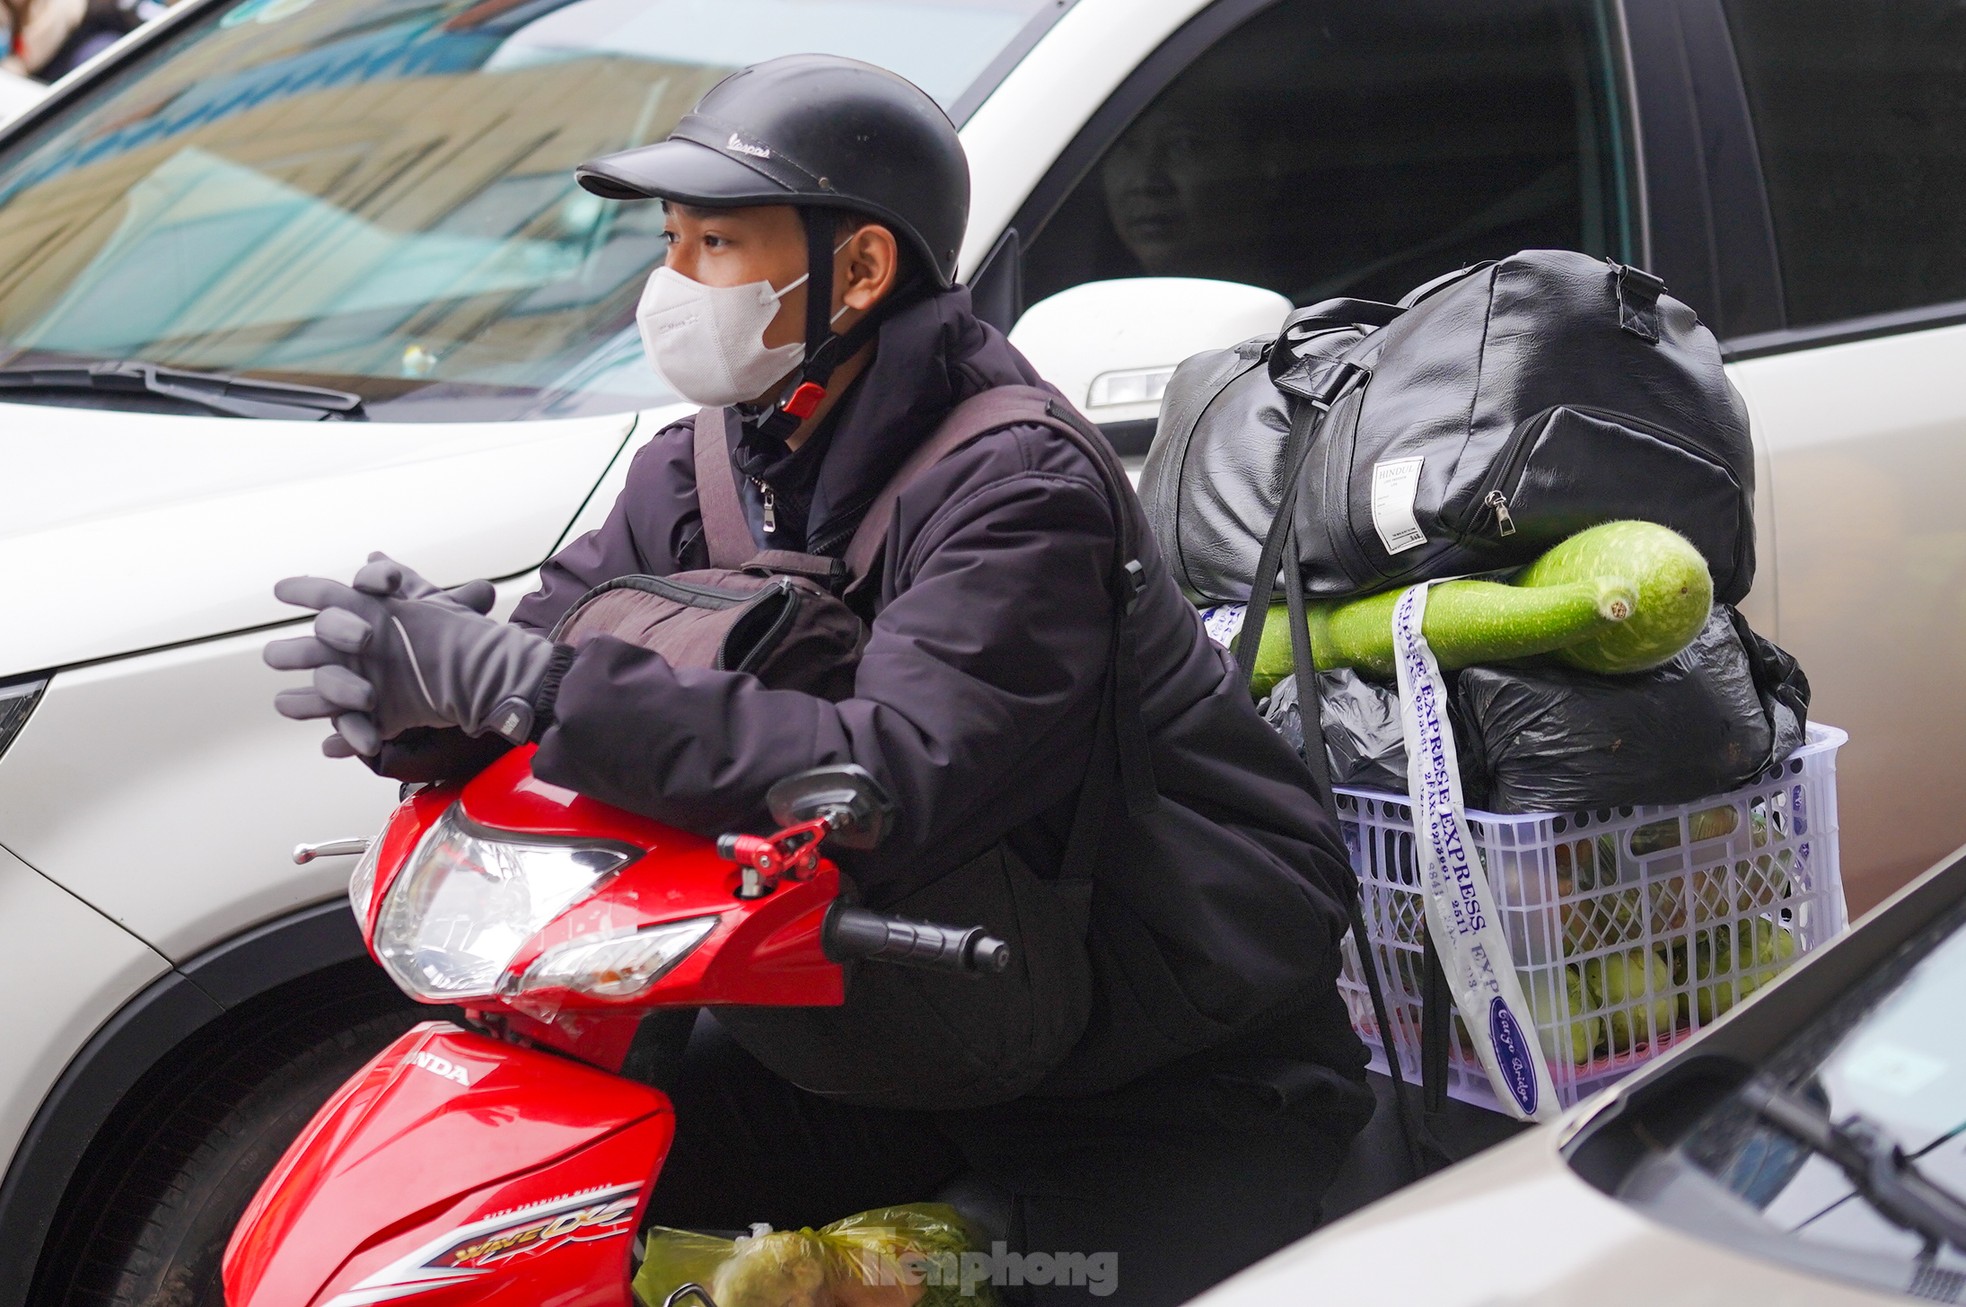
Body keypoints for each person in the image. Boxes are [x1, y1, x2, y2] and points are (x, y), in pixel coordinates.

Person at [265, 55, 1371, 1307]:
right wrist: (431, 717)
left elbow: (887, 772)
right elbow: (569, 659)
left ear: (859, 269)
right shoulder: (706, 466)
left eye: (717, 242)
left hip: (1149, 1072)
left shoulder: (1019, 483)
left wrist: (530, 689)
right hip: (879, 1026)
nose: (673, 283)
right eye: (670, 240)